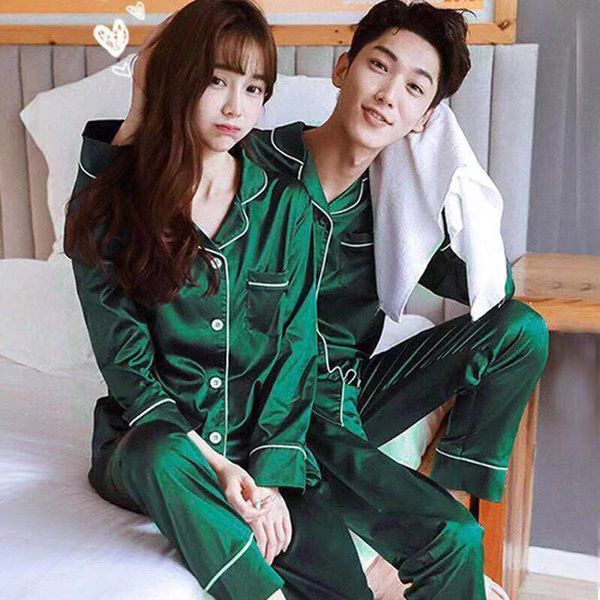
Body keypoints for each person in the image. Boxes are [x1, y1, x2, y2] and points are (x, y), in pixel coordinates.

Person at [73, 1, 550, 598]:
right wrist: (146, 100)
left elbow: (489, 292)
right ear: (342, 67)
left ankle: (443, 500)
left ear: (426, 114)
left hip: (346, 391)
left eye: (415, 89)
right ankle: (385, 546)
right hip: (259, 401)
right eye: (379, 67)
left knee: (520, 331)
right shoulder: (246, 156)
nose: (388, 96)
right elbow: (122, 201)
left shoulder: (399, 210)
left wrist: (450, 182)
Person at [64, 1, 375, 599]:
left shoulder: (287, 207)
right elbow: (126, 364)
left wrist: (269, 479)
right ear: (179, 80)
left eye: (254, 89)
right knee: (161, 456)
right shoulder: (119, 207)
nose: (236, 107)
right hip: (155, 448)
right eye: (216, 81)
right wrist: (142, 97)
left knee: (342, 584)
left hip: (259, 450)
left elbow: (294, 351)